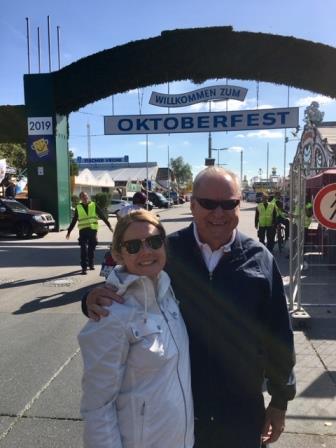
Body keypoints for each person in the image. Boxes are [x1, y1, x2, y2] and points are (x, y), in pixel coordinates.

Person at [82, 167, 296, 448]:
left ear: (239, 203)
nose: (218, 213)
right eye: (208, 203)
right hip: (180, 414)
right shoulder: (165, 251)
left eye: (228, 203)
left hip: (241, 413)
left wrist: (280, 401)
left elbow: (278, 334)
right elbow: (127, 284)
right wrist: (89, 298)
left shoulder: (260, 259)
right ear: (193, 204)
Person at [78, 210, 194, 448]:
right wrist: (88, 297)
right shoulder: (110, 313)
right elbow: (97, 408)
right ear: (118, 254)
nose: (146, 251)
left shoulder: (167, 293)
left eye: (153, 241)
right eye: (133, 246)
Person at [66, 191, 113, 275]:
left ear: (88, 197)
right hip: (83, 231)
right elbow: (74, 220)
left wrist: (109, 225)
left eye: (86, 196)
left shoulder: (93, 205)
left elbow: (102, 215)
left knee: (91, 248)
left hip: (93, 230)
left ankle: (91, 264)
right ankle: (84, 268)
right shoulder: (79, 207)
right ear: (80, 198)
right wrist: (69, 231)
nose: (85, 197)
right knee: (83, 249)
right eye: (83, 196)